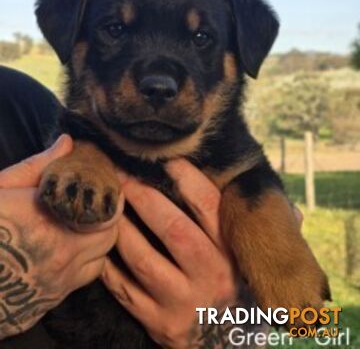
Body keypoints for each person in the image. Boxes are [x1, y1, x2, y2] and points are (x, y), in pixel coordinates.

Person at [0, 67, 302, 348]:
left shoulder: (17, 102)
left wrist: (233, 331)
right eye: (115, 30)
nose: (159, 82)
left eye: (200, 37)